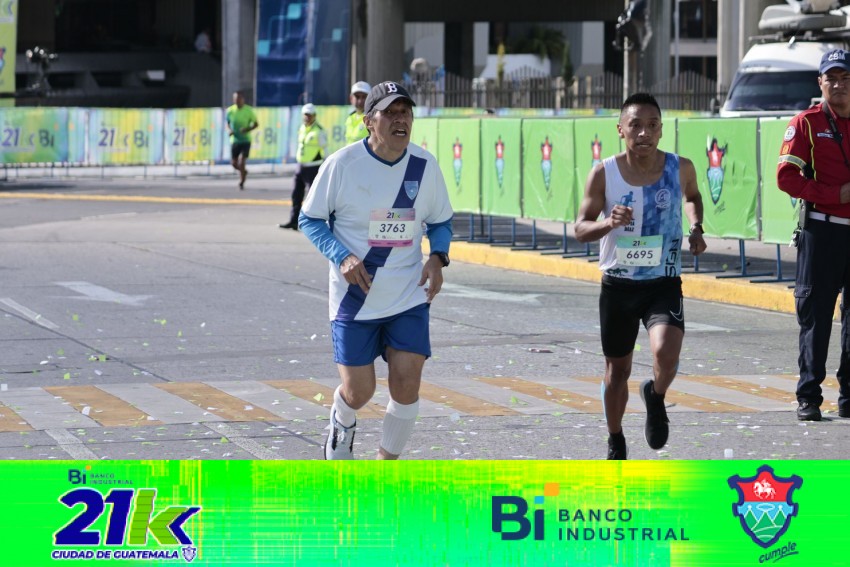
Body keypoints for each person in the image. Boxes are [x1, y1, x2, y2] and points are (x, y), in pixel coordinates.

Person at [298, 81, 453, 460]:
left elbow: (440, 221)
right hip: (355, 297)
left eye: (406, 112)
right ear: (369, 121)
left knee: (407, 384)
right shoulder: (342, 165)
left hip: (407, 295)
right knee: (360, 391)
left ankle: (386, 467)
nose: (401, 120)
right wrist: (342, 256)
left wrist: (438, 257)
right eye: (390, 113)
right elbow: (310, 219)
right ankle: (342, 419)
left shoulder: (424, 165)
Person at [574, 92, 706, 460]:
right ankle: (615, 438)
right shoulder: (604, 173)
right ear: (621, 130)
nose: (644, 133)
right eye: (635, 125)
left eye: (652, 125)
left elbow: (692, 196)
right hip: (618, 286)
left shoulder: (680, 167)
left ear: (661, 130)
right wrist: (607, 223)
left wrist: (696, 227)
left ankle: (656, 395)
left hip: (663, 282)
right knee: (618, 371)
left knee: (666, 353)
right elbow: (580, 229)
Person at [777, 48, 850, 422]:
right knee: (816, 316)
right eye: (831, 78)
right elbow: (786, 177)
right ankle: (809, 396)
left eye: (845, 78)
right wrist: (835, 195)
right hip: (823, 230)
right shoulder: (806, 123)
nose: (838, 85)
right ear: (820, 83)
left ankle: (849, 396)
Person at [279, 104, 327, 229]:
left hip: (313, 167)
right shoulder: (302, 128)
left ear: (314, 116)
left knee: (313, 198)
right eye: (305, 115)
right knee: (296, 195)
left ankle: (315, 223)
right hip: (300, 166)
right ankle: (294, 220)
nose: (307, 117)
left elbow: (325, 150)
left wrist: (325, 167)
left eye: (310, 115)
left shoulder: (319, 131)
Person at [225, 91, 258, 190]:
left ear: (243, 99)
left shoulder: (248, 110)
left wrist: (247, 129)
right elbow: (227, 123)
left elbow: (256, 124)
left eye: (239, 99)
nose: (237, 101)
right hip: (235, 140)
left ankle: (242, 182)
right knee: (234, 163)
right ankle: (243, 171)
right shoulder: (230, 110)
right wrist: (229, 130)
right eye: (235, 99)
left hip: (245, 140)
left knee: (241, 161)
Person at [344, 81, 371, 145]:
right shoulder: (349, 118)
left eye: (364, 97)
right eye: (357, 96)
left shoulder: (373, 118)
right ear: (351, 98)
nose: (360, 100)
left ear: (370, 98)